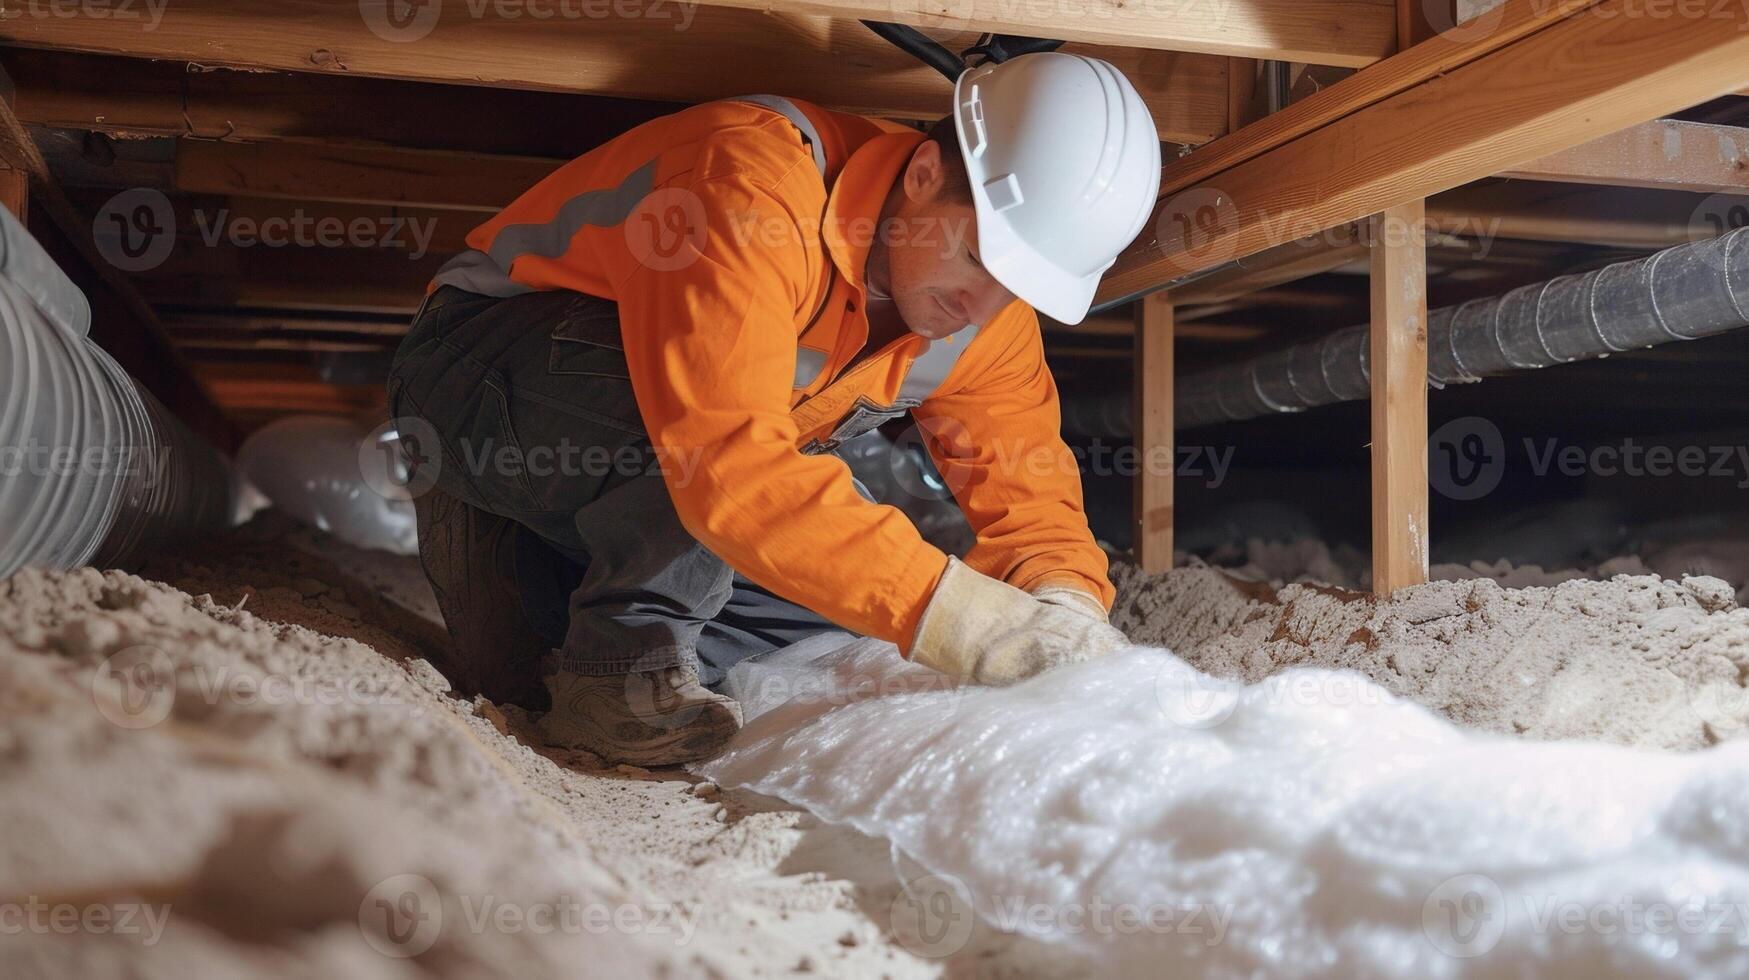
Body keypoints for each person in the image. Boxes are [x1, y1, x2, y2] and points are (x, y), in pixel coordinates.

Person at [387, 51, 1162, 765]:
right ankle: (619, 668)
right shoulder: (750, 181)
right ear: (925, 173)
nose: (981, 302)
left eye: (1018, 283)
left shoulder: (989, 322)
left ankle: (549, 588)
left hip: (655, 457)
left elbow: (1034, 512)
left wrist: (1062, 611)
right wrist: (974, 627)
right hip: (479, 373)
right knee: (715, 459)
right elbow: (729, 458)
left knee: (841, 602)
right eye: (979, 256)